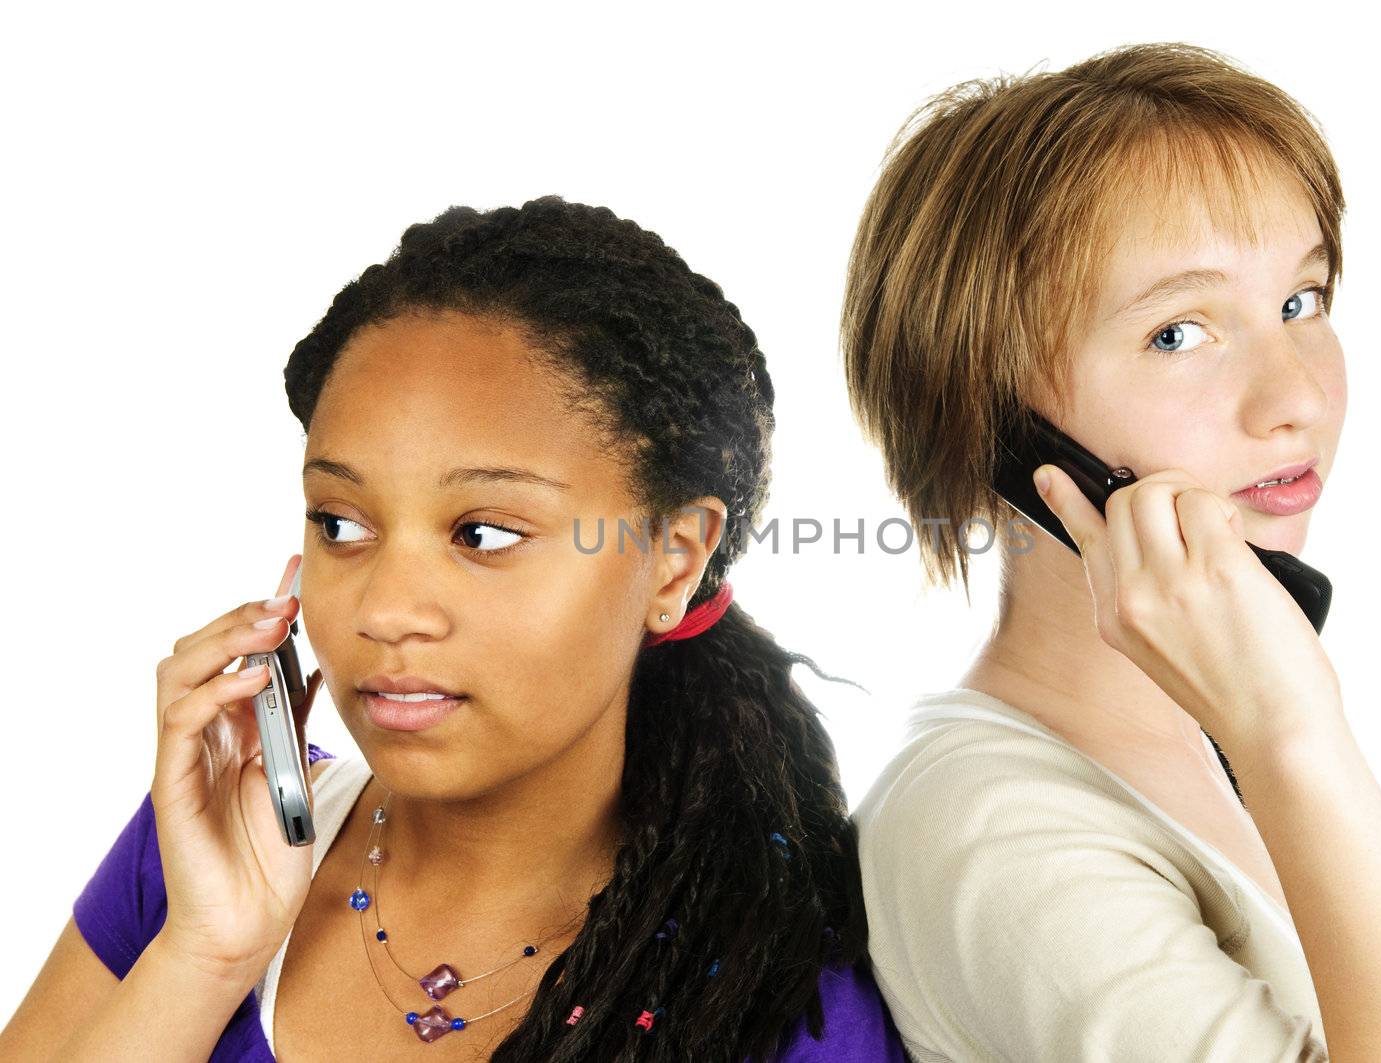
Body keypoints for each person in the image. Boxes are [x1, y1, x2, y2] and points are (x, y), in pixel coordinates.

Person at [3, 197, 907, 1062]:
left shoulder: (778, 1001)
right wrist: (203, 953)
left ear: (673, 557)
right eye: (340, 524)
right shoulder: (207, 849)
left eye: (483, 534)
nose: (385, 610)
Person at [840, 42, 1381, 1062]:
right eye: (1179, 332)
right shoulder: (994, 831)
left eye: (1300, 301)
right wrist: (1294, 730)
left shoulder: (1213, 740)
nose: (1295, 395)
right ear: (991, 427)